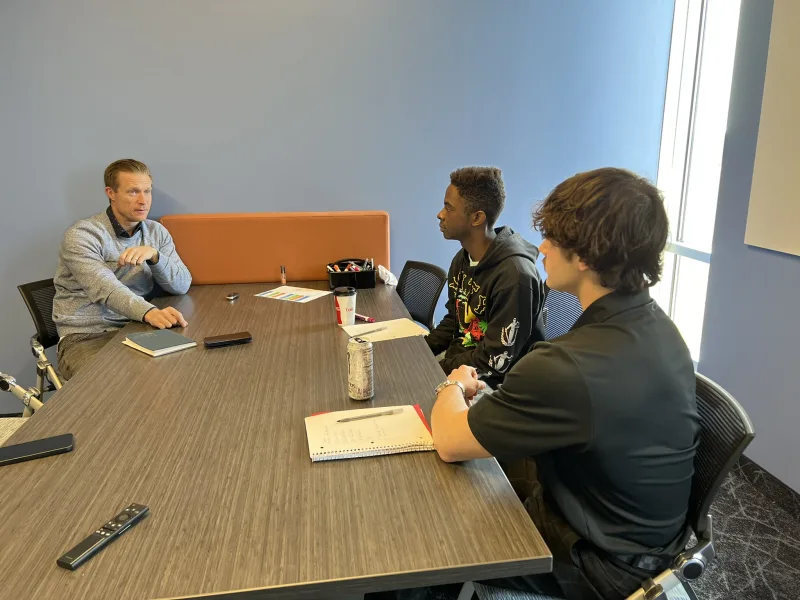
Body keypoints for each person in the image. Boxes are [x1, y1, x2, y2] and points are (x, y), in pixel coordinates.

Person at [430, 168, 700, 600]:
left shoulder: (566, 364)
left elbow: (448, 438)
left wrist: (455, 385)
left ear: (587, 257)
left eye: (553, 238)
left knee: (431, 532)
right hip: (648, 542)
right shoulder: (664, 331)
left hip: (599, 564)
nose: (542, 247)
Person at [53, 159, 192, 380]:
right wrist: (149, 312)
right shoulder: (82, 235)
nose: (143, 200)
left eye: (147, 191)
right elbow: (105, 288)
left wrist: (155, 256)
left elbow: (182, 285)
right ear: (111, 193)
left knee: (185, 370)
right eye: (133, 192)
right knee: (112, 386)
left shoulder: (156, 232)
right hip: (87, 336)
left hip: (138, 327)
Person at [425, 167, 545, 390]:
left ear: (477, 218)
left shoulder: (514, 277)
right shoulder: (462, 260)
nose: (440, 214)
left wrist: (437, 368)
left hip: (498, 386)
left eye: (448, 208)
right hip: (461, 367)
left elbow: (495, 359)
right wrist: (419, 351)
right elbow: (455, 320)